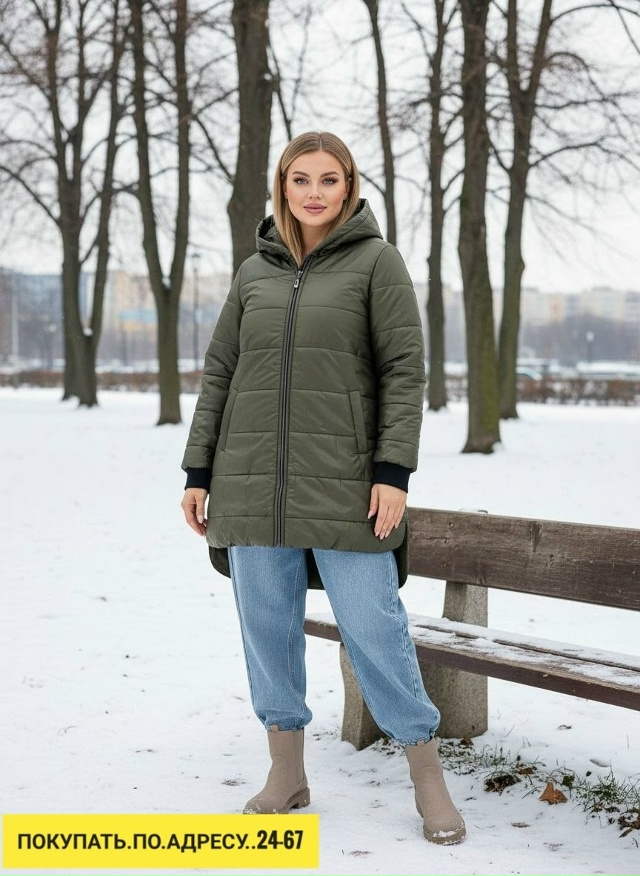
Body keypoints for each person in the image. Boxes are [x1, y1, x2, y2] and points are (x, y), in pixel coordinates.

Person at [180, 131, 465, 845]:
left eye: (328, 179)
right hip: (251, 484)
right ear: (282, 185)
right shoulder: (254, 272)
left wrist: (393, 472)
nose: (314, 192)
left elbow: (404, 369)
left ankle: (426, 775)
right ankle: (287, 773)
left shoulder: (376, 262)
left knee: (374, 627)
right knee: (266, 630)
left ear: (349, 186)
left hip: (347, 485)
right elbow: (221, 373)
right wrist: (198, 471)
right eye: (300, 179)